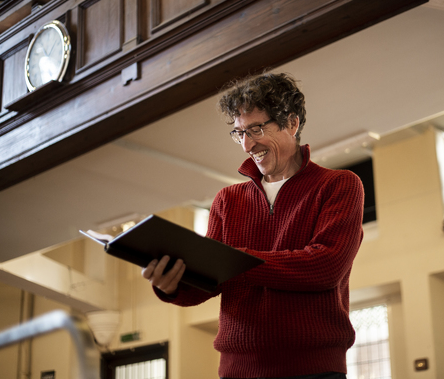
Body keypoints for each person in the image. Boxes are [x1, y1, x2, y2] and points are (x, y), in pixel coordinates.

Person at [142, 72, 365, 379]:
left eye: (256, 129)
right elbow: (210, 280)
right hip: (237, 372)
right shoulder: (226, 200)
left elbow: (324, 266)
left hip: (314, 371)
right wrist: (171, 284)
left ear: (292, 123)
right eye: (239, 133)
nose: (247, 144)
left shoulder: (339, 185)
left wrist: (234, 260)